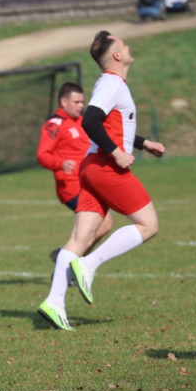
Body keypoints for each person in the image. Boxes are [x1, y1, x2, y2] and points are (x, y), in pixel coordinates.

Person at [37, 31, 166, 331]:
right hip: (105, 167)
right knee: (149, 225)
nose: (128, 45)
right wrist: (117, 154)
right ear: (117, 56)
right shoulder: (113, 83)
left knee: (79, 239)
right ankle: (89, 265)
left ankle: (54, 302)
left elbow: (110, 125)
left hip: (90, 166)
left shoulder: (109, 84)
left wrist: (143, 143)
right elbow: (91, 120)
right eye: (123, 44)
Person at [36, 82, 114, 260]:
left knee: (104, 225)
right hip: (71, 187)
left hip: (88, 184)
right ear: (63, 102)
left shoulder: (82, 122)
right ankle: (68, 260)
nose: (81, 106)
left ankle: (67, 260)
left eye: (82, 102)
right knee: (101, 224)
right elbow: (42, 155)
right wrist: (60, 163)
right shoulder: (54, 125)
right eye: (76, 102)